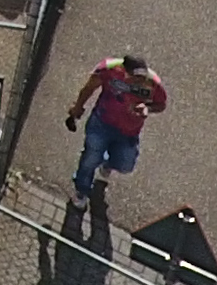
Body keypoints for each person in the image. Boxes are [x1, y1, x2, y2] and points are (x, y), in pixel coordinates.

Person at [67, 51, 166, 211]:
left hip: (129, 132)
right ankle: (81, 190)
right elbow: (89, 88)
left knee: (125, 165)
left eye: (142, 76)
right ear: (124, 71)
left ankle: (107, 163)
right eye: (135, 76)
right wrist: (77, 108)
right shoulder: (109, 69)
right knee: (90, 158)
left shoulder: (152, 83)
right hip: (101, 123)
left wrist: (147, 108)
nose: (139, 80)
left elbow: (161, 105)